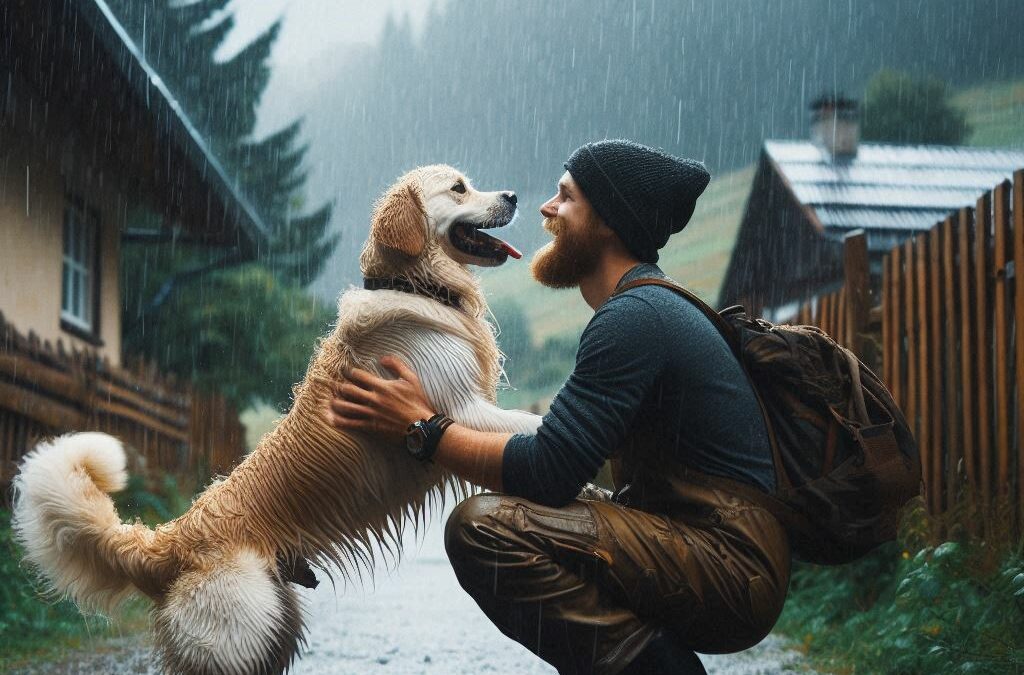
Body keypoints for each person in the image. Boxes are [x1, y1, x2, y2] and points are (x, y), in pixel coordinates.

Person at [326, 139, 790, 675]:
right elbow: (562, 460)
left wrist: (422, 429)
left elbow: (549, 470)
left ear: (609, 222)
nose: (546, 208)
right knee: (537, 512)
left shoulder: (636, 317)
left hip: (731, 564)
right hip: (716, 550)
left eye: (565, 197)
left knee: (483, 528)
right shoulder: (641, 307)